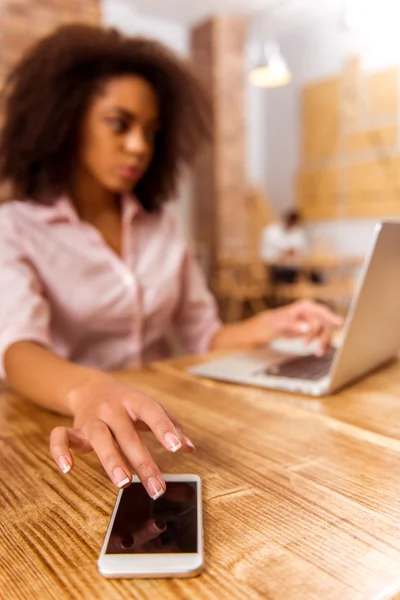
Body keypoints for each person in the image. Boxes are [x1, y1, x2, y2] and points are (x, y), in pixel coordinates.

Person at [0, 25, 341, 500]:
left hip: (164, 429)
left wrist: (270, 323)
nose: (139, 145)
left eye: (151, 131)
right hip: (66, 439)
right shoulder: (16, 226)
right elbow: (17, 351)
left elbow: (206, 335)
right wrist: (87, 391)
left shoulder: (163, 228)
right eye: (120, 123)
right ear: (68, 120)